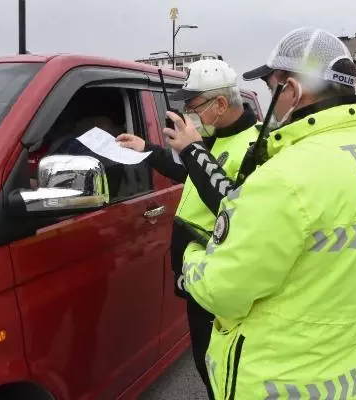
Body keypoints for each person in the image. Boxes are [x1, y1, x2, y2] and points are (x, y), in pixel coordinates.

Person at [165, 28, 356, 399]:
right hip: (354, 378)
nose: (271, 104)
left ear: (293, 91)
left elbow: (221, 292)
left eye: (272, 89)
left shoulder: (286, 176)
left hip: (279, 382)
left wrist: (189, 255)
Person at [117, 59, 260, 399]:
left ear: (220, 104)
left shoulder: (257, 147)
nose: (187, 115)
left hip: (224, 289)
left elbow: (236, 210)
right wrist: (148, 150)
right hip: (200, 285)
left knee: (225, 374)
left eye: (193, 107)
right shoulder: (217, 141)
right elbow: (192, 176)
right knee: (206, 364)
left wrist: (193, 149)